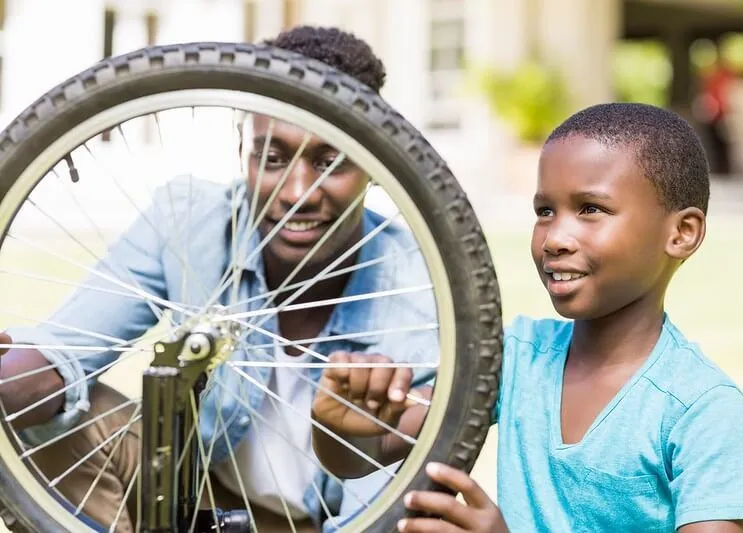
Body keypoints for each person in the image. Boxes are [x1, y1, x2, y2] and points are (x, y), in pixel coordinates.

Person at [0, 25, 437, 533]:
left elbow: (380, 503)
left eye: (329, 161)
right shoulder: (189, 220)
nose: (298, 191)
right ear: (242, 148)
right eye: (271, 158)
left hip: (315, 526)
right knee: (68, 421)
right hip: (191, 496)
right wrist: (7, 381)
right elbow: (64, 352)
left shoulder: (425, 291)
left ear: (376, 160)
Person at [311, 102, 743, 532]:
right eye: (544, 211)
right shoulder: (517, 357)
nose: (554, 238)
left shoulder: (702, 409)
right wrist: (339, 423)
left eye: (590, 209)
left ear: (682, 233)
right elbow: (363, 457)